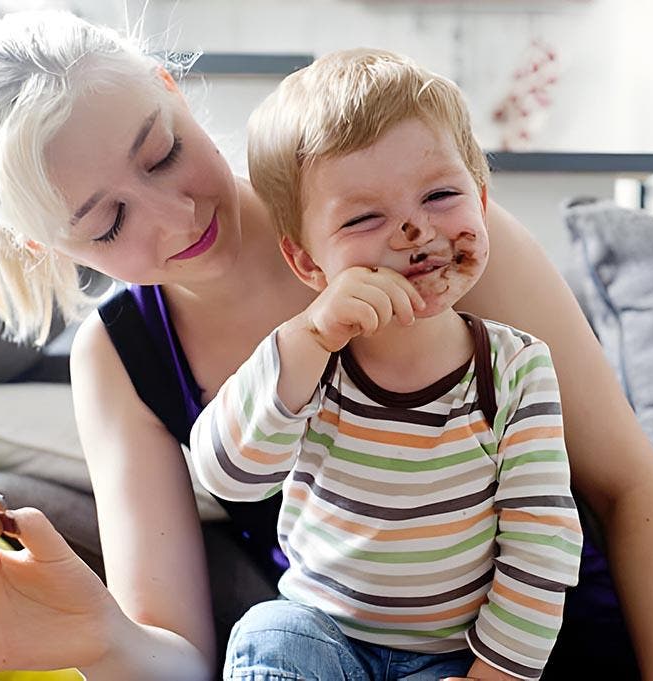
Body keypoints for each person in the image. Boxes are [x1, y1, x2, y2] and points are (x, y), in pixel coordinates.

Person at [0, 9, 653, 681]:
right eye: (107, 223)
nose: (175, 217)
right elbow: (182, 654)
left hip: (545, 650)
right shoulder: (118, 358)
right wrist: (97, 637)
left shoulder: (429, 228)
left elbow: (629, 486)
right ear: (44, 247)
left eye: (163, 152)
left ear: (172, 91)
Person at [188, 48, 582, 681]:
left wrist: (493, 676)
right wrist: (310, 336)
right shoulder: (308, 359)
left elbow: (542, 544)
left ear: (480, 200)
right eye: (366, 216)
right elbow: (226, 477)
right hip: (323, 636)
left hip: (454, 656)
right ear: (309, 264)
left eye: (441, 194)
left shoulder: (515, 369)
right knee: (266, 630)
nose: (412, 229)